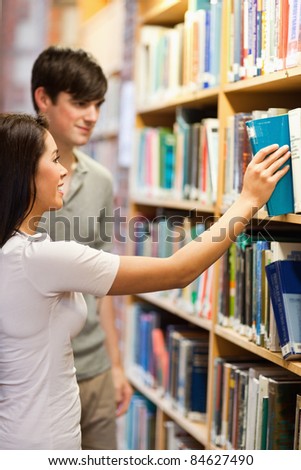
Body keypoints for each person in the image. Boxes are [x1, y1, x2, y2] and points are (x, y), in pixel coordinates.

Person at [0, 113, 290, 449]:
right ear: (24, 174)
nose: (65, 169)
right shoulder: (41, 260)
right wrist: (248, 200)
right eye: (53, 159)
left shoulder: (16, 251)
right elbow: (177, 271)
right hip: (43, 443)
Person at [30, 46, 132, 450]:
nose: (92, 116)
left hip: (93, 371)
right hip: (31, 377)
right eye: (79, 103)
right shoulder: (12, 181)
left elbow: (102, 282)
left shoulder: (102, 181)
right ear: (43, 99)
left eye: (98, 105)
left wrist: (117, 366)